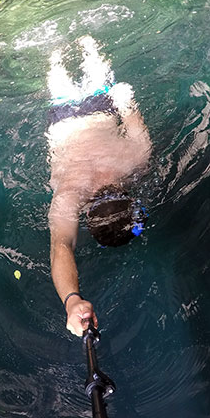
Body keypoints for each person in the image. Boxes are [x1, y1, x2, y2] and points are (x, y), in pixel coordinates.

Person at [46, 36, 152, 336]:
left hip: (99, 108)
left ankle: (86, 45)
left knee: (94, 62)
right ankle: (61, 53)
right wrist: (71, 301)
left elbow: (127, 105)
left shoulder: (136, 159)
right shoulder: (69, 192)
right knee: (57, 74)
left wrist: (125, 98)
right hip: (62, 119)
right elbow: (61, 247)